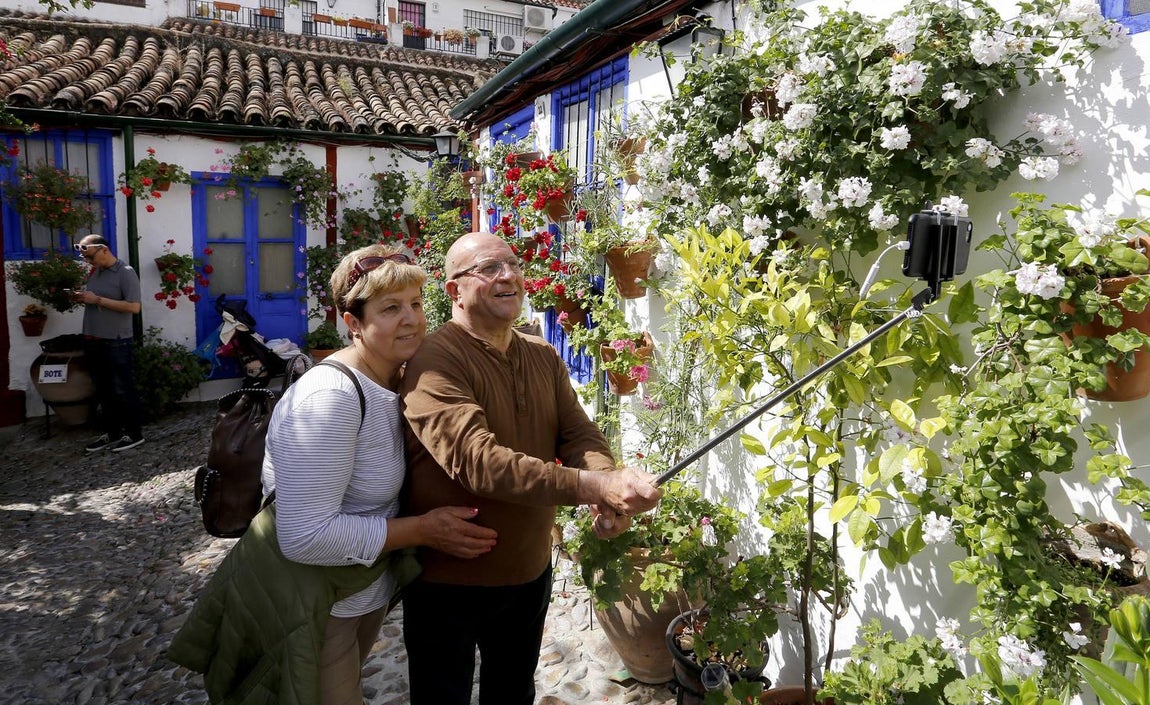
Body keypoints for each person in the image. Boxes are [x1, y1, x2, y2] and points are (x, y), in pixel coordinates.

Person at [168, 244, 498, 705]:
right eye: (390, 308)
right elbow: (305, 536)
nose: (412, 319)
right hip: (315, 603)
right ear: (353, 323)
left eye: (416, 303)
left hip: (361, 590)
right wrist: (425, 530)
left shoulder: (395, 378)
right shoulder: (331, 398)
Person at [400, 231, 664, 705]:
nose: (509, 276)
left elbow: (578, 433)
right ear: (454, 290)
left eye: (514, 265)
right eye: (489, 268)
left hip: (528, 573)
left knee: (513, 694)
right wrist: (594, 485)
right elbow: (479, 463)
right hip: (450, 583)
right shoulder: (435, 361)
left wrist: (606, 488)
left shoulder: (541, 354)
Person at [72, 234, 145, 453]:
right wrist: (81, 297)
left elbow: (134, 307)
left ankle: (134, 434)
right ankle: (112, 433)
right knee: (103, 390)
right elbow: (96, 300)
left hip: (117, 340)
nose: (88, 262)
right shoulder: (96, 272)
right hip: (93, 338)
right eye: (85, 258)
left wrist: (97, 300)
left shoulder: (126, 272)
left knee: (123, 389)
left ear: (104, 250)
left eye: (91, 257)